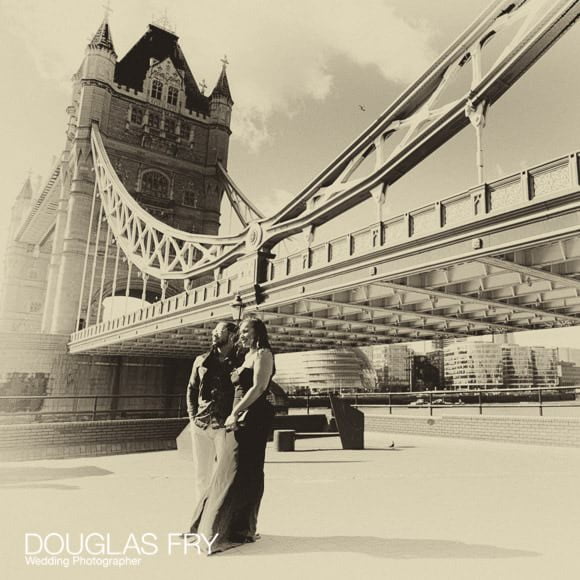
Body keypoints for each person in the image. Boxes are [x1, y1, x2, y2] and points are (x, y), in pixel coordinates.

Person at [185, 317, 275, 553]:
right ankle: (216, 526)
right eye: (241, 331)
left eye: (246, 331)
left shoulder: (264, 353)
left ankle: (236, 528)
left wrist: (236, 411)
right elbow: (197, 388)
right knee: (228, 471)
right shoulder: (245, 356)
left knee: (243, 471)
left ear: (258, 333)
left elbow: (259, 386)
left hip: (249, 419)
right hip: (233, 419)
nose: (242, 335)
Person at [186, 321, 241, 548]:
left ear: (232, 335)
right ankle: (201, 523)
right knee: (202, 476)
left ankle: (220, 525)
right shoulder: (201, 360)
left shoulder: (240, 361)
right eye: (214, 331)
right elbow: (191, 388)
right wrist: (191, 416)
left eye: (219, 331)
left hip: (223, 426)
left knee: (224, 476)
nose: (214, 333)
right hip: (200, 424)